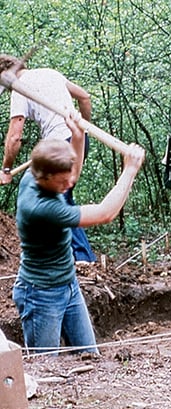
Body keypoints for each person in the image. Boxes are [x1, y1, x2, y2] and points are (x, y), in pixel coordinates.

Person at [13, 112, 145, 355]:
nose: (68, 185)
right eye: (62, 182)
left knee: (90, 357)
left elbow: (70, 175)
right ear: (46, 177)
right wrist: (130, 170)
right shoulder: (42, 208)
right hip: (40, 293)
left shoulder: (38, 173)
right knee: (46, 367)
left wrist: (77, 136)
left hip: (67, 283)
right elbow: (106, 213)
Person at [0, 54, 97, 262]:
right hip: (78, 140)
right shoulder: (50, 73)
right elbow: (85, 97)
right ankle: (79, 257)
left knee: (47, 198)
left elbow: (15, 135)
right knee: (63, 197)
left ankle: (82, 258)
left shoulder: (19, 87)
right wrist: (82, 130)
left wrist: (6, 170)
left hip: (59, 146)